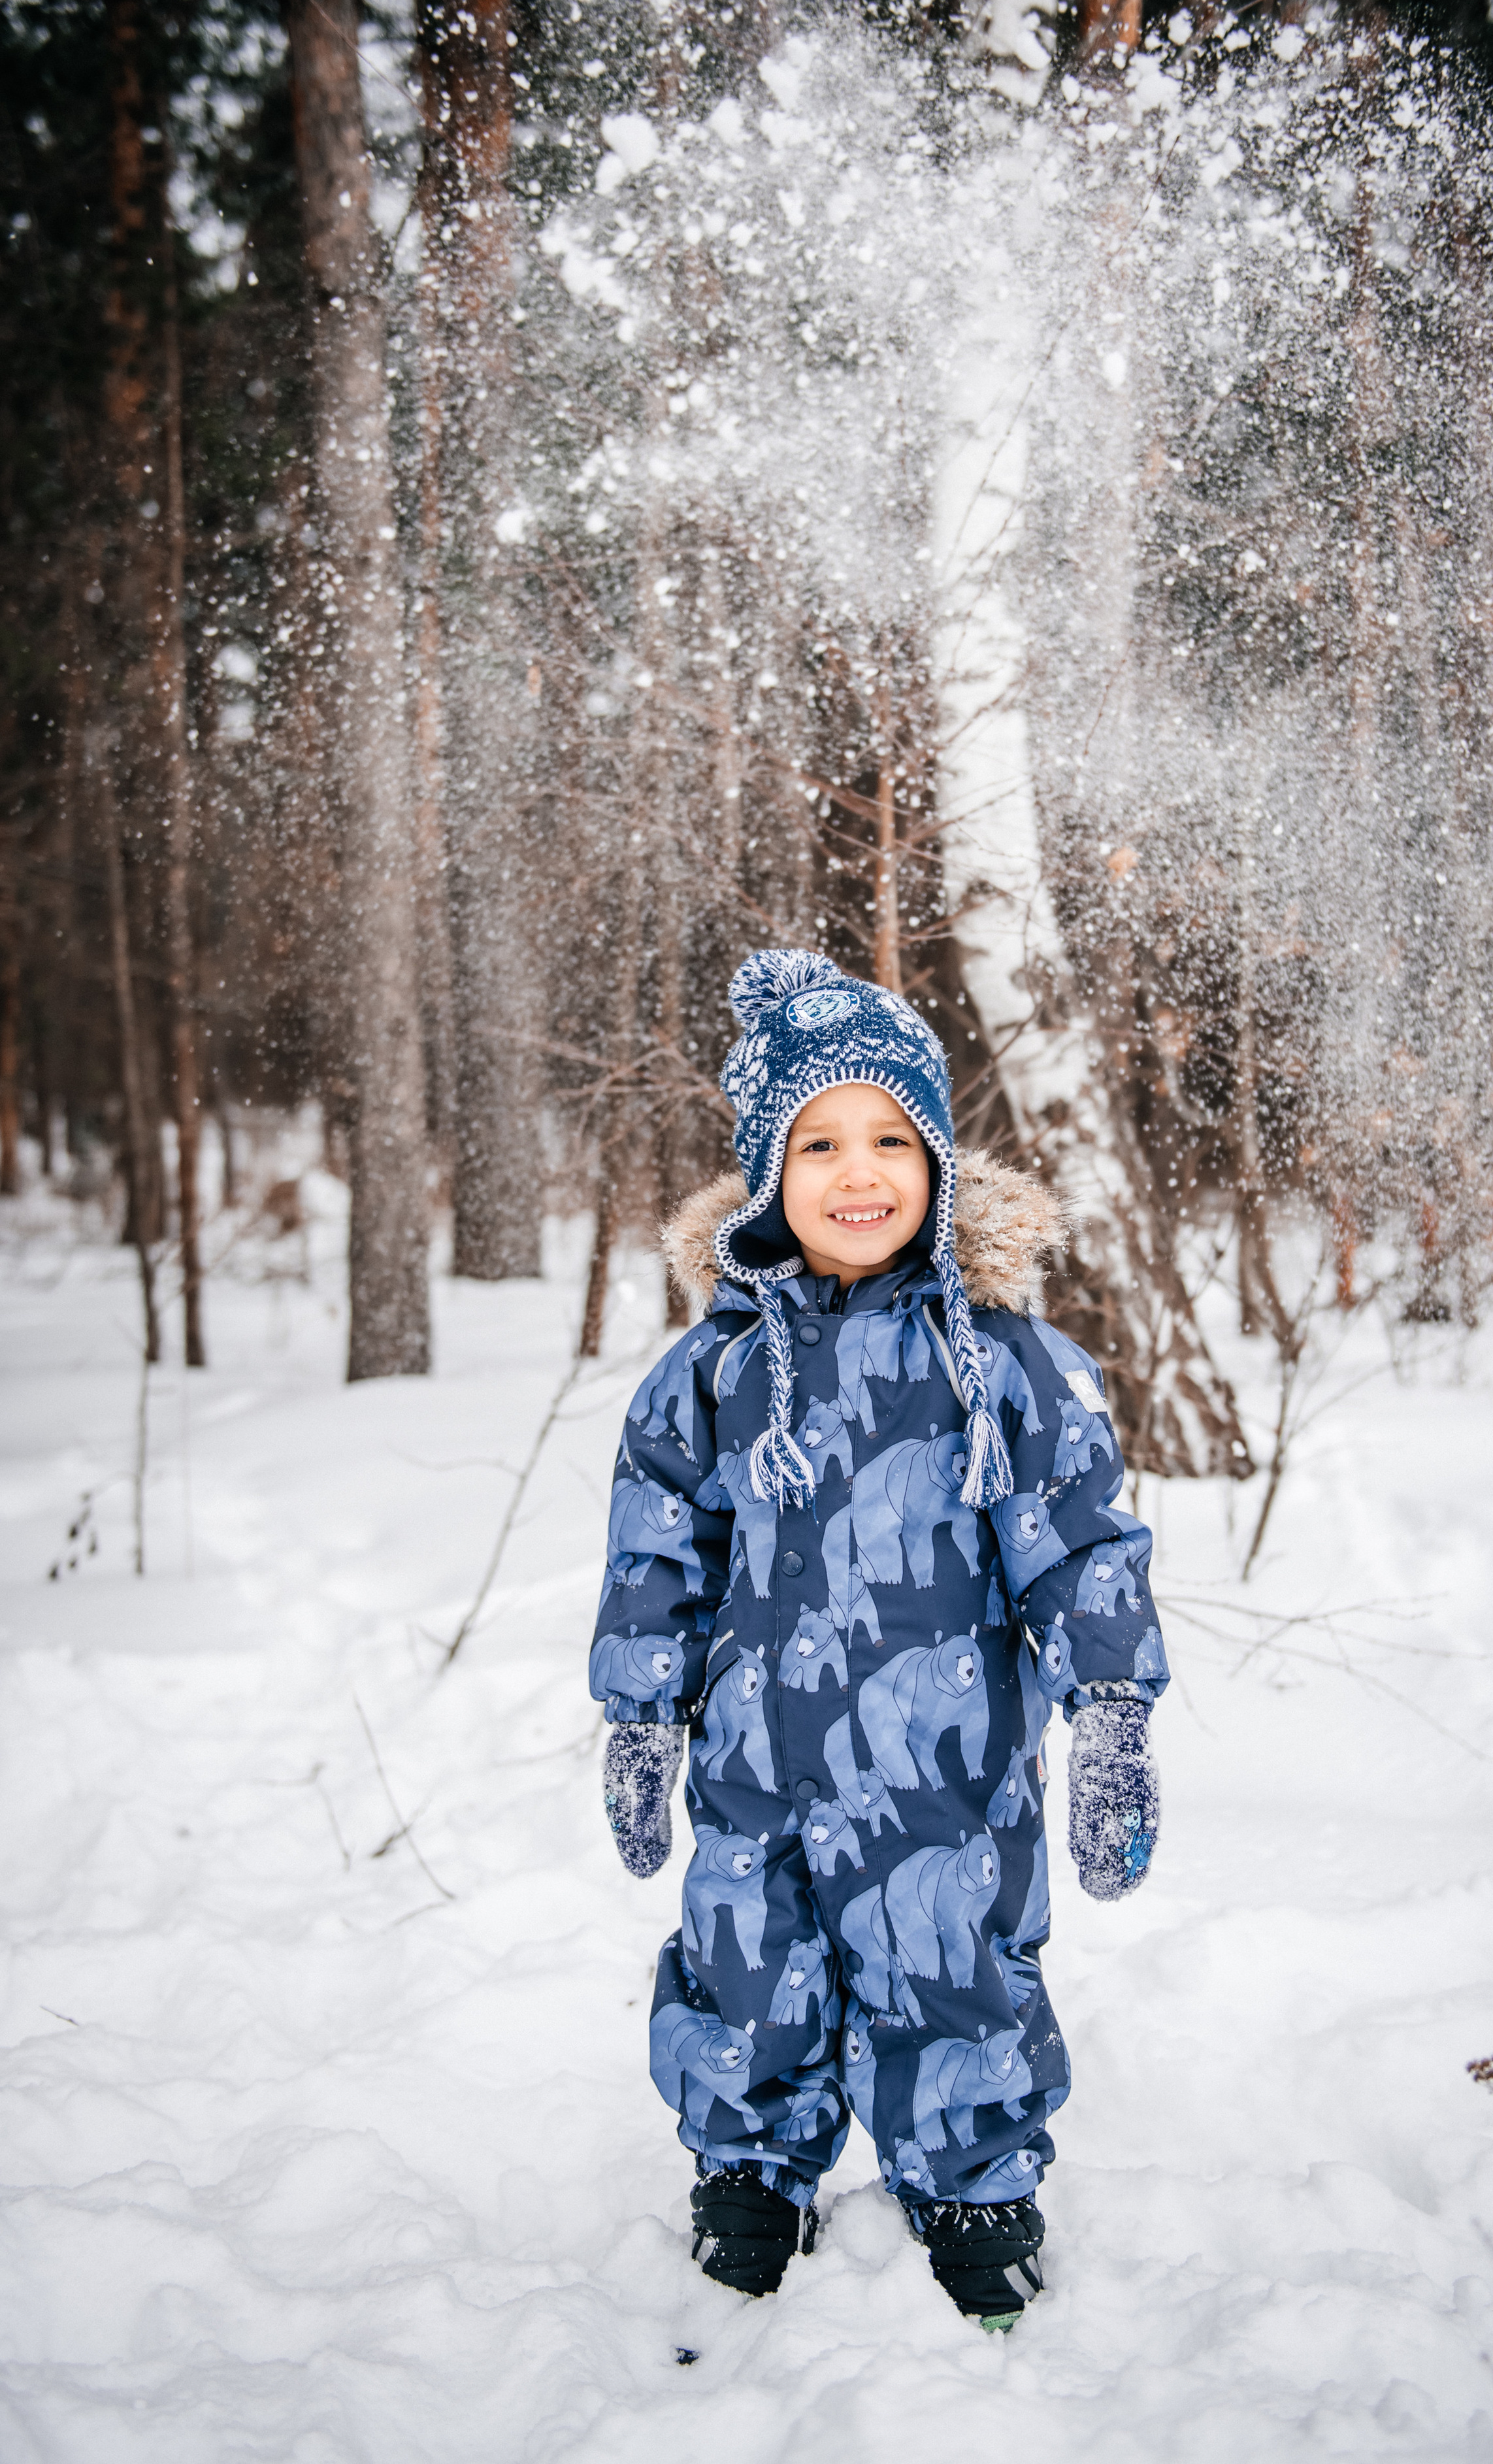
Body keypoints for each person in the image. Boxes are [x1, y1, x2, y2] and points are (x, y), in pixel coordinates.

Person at [589, 949, 1168, 2331]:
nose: (860, 1174)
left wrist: (1111, 1710)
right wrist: (640, 1713)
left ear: (940, 1162)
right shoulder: (713, 1373)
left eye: (892, 1139)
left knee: (953, 1965)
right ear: (767, 1175)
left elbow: (1082, 1541)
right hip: (758, 1768)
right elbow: (655, 1551)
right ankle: (749, 2173)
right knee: (744, 1962)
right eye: (820, 1144)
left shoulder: (1008, 1363)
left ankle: (971, 2184)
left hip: (945, 1776)